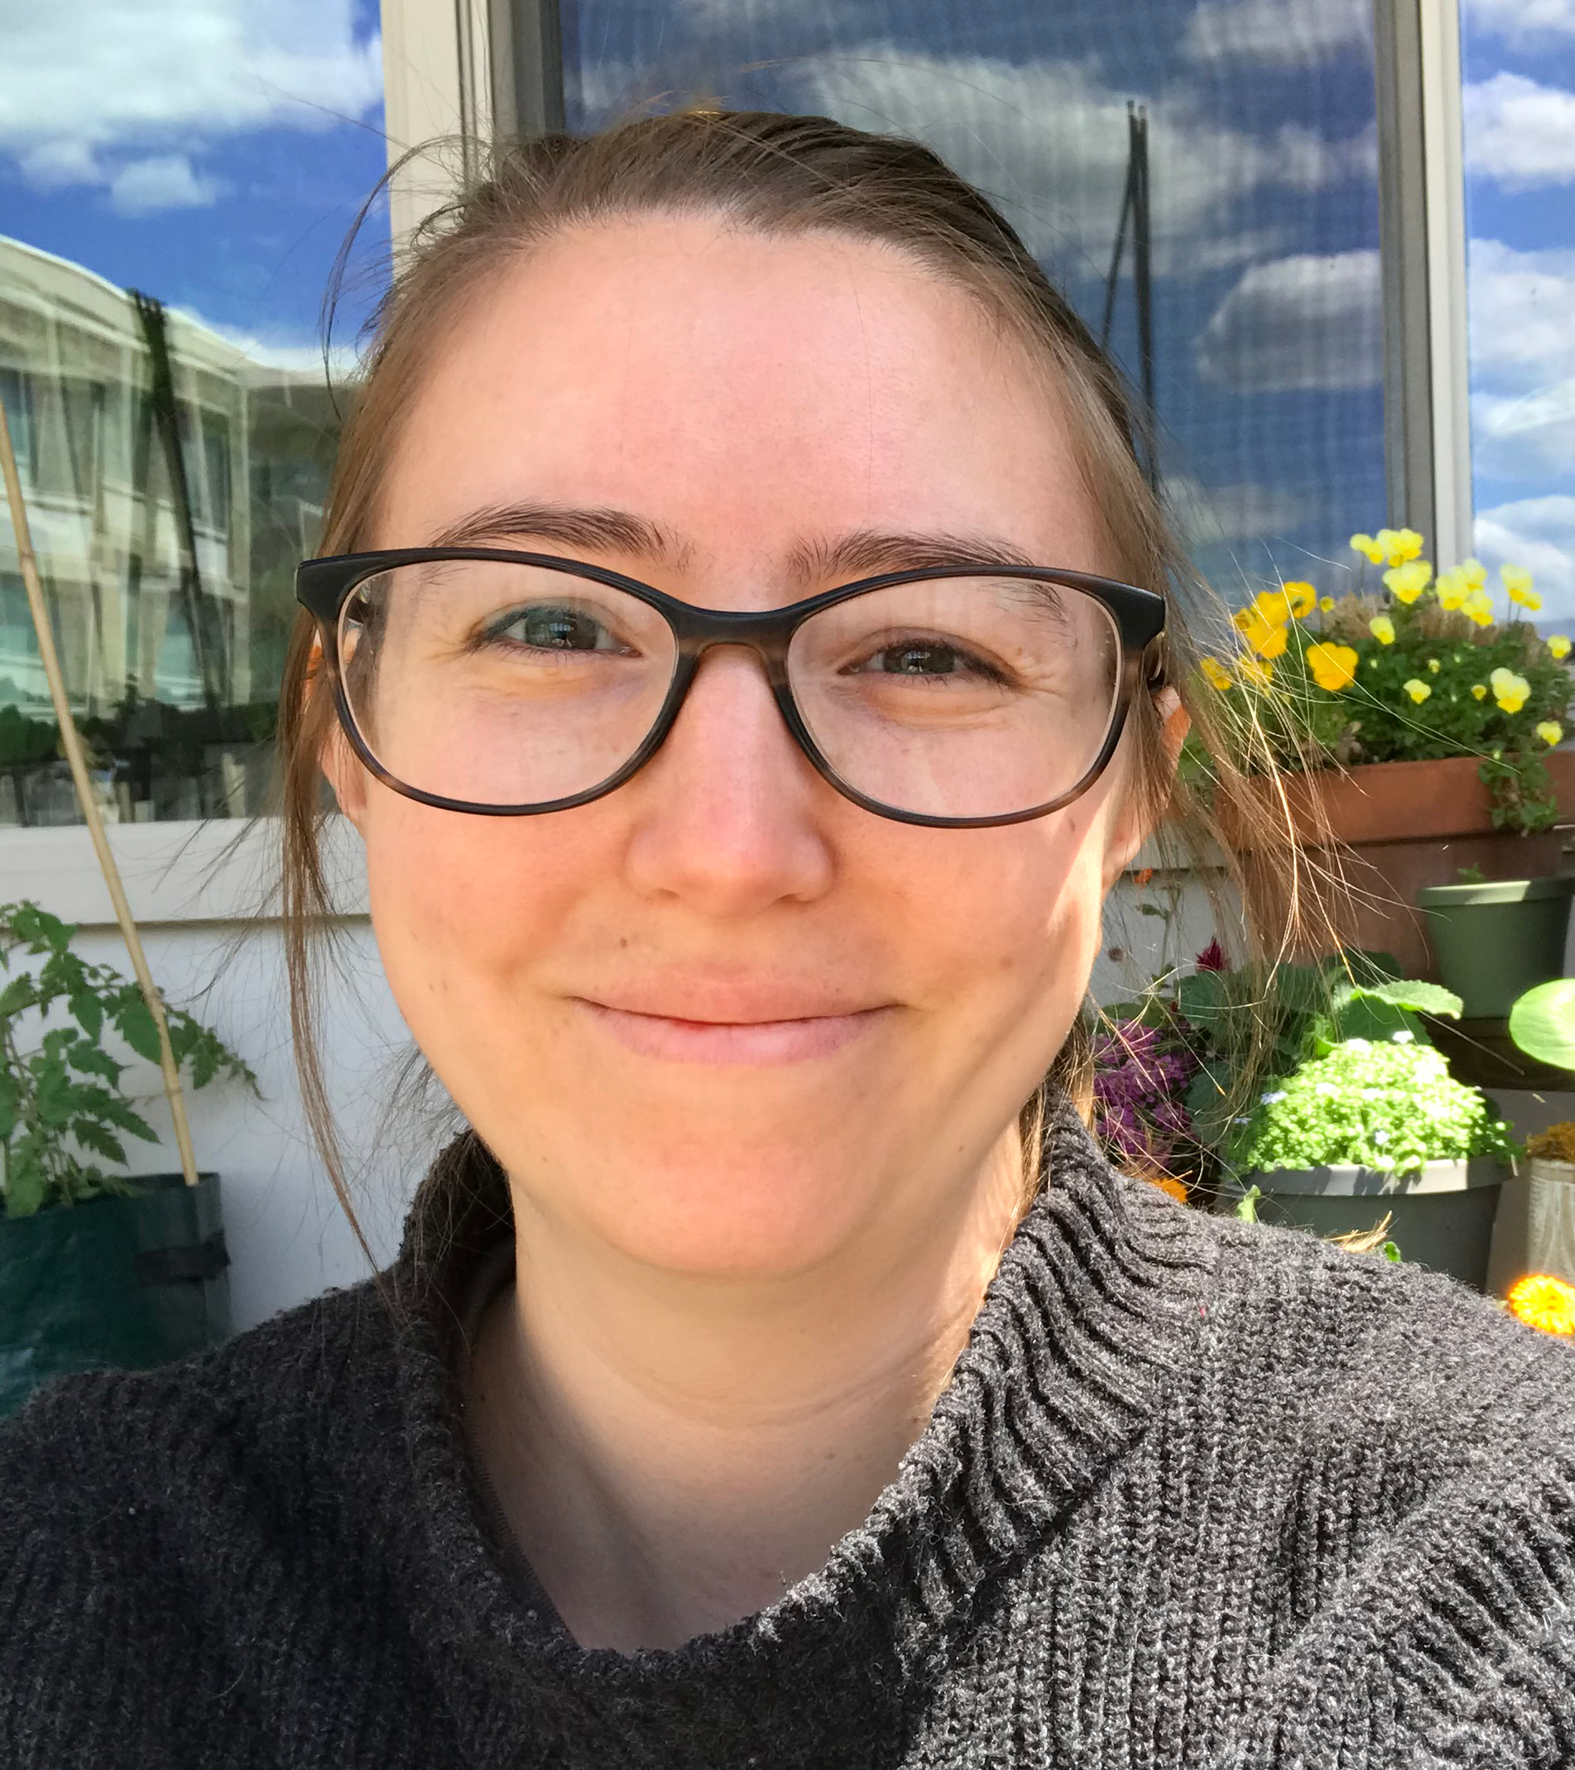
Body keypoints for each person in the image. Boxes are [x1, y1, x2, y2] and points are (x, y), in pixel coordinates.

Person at [3, 108, 1574, 1770]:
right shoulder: (73, 1584)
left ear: (1129, 788)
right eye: (548, 622)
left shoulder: (1488, 1580)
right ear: (348, 731)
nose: (733, 850)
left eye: (925, 653)